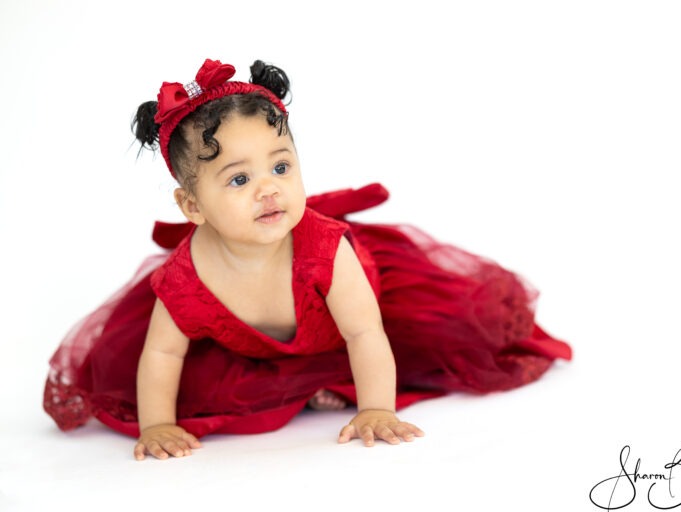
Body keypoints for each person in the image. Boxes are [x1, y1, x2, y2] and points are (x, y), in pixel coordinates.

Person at [43, 58, 573, 461]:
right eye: (239, 179)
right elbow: (162, 355)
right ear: (192, 206)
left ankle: (347, 387)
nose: (269, 191)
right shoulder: (187, 278)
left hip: (360, 324)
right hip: (269, 344)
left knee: (437, 335)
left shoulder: (323, 249)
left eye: (281, 167)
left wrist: (376, 410)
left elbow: (366, 333)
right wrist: (157, 423)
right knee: (205, 389)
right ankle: (312, 383)